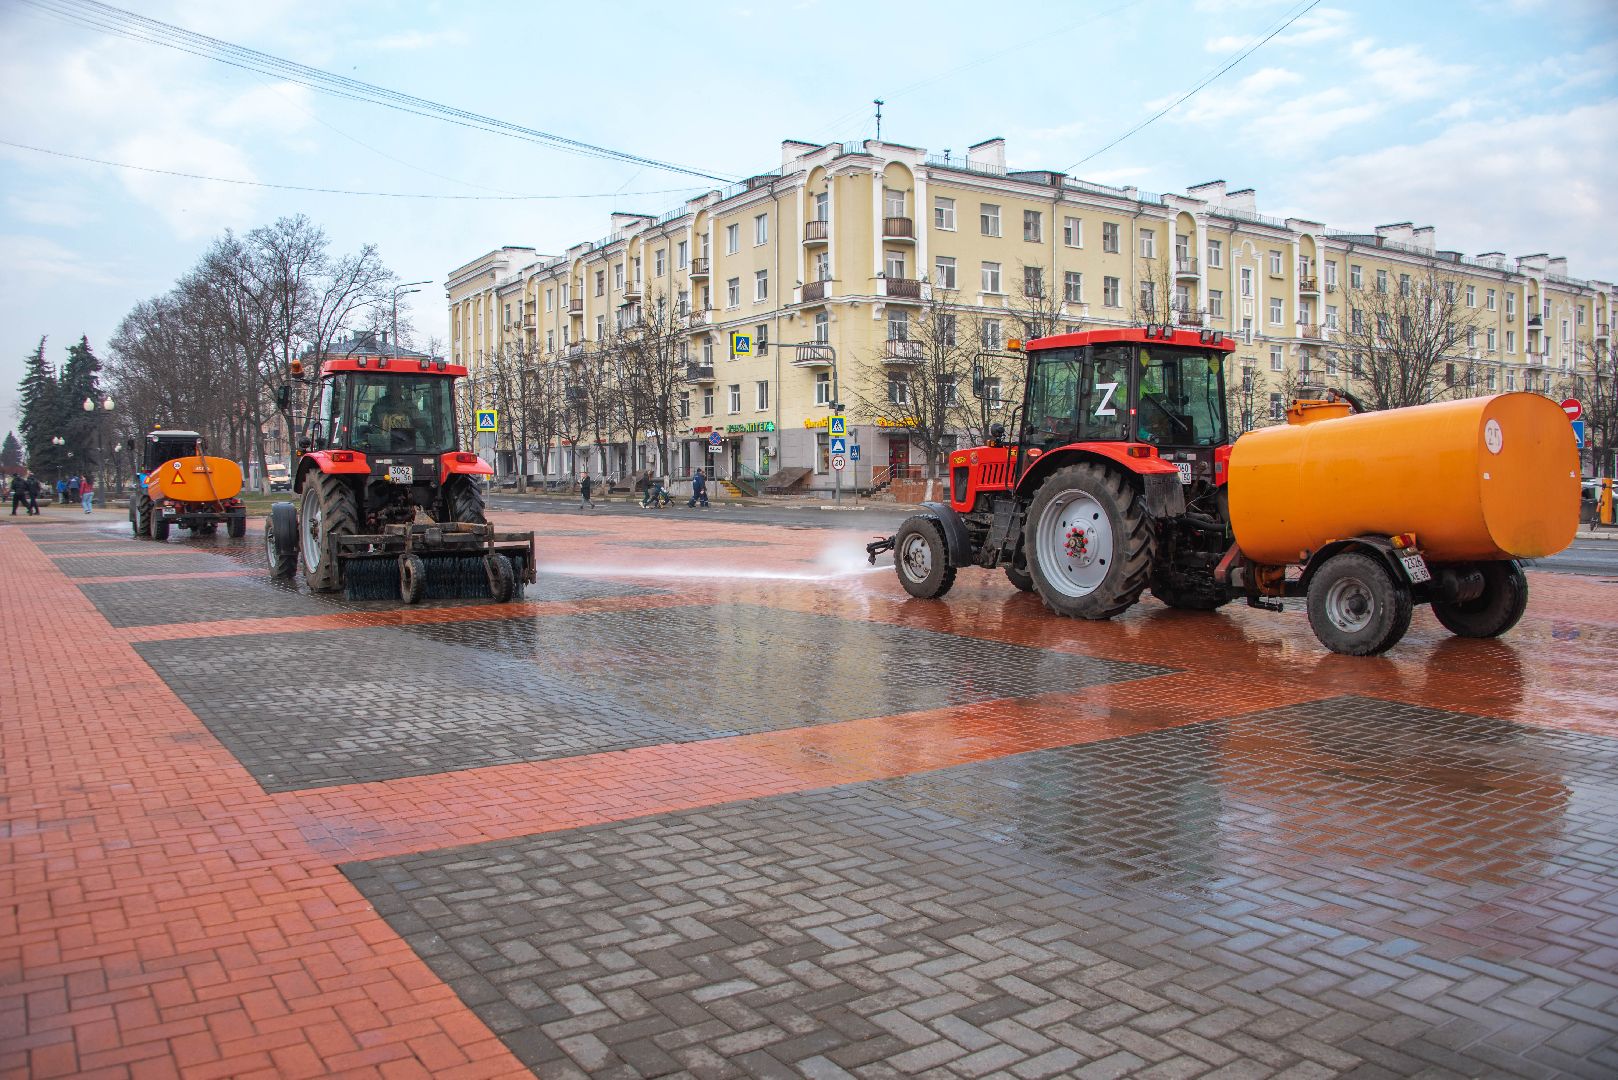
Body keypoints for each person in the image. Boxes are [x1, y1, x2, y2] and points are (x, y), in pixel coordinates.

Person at [369, 384, 420, 448]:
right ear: (388, 391)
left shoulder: (410, 407)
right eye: (392, 389)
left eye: (398, 388)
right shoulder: (378, 407)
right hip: (383, 445)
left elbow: (419, 425)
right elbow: (373, 426)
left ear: (401, 391)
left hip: (407, 443)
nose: (395, 391)